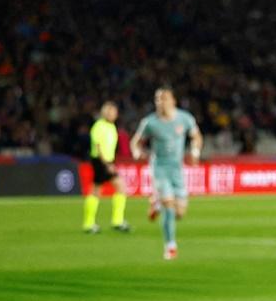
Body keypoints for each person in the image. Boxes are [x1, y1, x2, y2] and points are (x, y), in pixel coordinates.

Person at [130, 87, 202, 261]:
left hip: (177, 169)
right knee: (169, 208)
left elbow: (197, 137)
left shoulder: (185, 119)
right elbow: (136, 142)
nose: (160, 102)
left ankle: (156, 204)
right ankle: (170, 246)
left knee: (180, 213)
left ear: (173, 101)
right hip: (159, 168)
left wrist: (194, 152)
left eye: (164, 99)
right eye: (157, 99)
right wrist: (137, 153)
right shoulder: (150, 122)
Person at [82, 101, 131, 234]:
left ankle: (113, 221)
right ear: (104, 112)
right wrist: (107, 164)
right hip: (100, 161)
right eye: (109, 111)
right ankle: (92, 223)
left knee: (114, 188)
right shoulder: (99, 126)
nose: (111, 114)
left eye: (113, 112)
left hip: (107, 161)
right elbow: (98, 147)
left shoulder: (111, 127)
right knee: (101, 190)